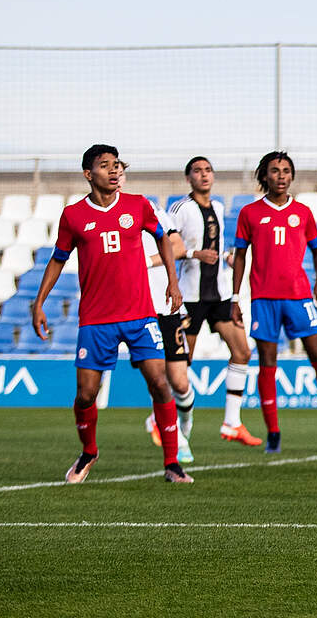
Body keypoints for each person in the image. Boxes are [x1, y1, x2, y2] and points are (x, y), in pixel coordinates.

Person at [29, 144, 193, 484]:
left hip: (140, 315)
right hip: (95, 319)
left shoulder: (138, 205)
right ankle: (89, 451)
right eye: (105, 166)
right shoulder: (73, 216)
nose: (115, 170)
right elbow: (58, 258)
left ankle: (173, 462)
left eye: (117, 165)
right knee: (86, 394)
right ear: (89, 174)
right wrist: (39, 302)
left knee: (160, 384)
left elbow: (163, 239)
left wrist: (173, 284)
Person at [231, 151, 317, 454]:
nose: (281, 176)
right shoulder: (250, 213)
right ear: (264, 176)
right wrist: (235, 297)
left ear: (291, 176)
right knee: (267, 363)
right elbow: (240, 256)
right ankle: (274, 434)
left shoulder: (303, 212)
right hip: (264, 299)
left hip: (298, 297)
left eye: (286, 171)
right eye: (275, 170)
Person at [169, 156, 261, 447]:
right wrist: (195, 255)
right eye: (197, 171)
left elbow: (214, 246)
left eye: (208, 170)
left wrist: (227, 258)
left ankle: (232, 422)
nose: (204, 175)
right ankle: (163, 420)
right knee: (183, 364)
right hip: (192, 297)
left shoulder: (219, 207)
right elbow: (169, 246)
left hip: (219, 294)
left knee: (242, 351)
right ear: (188, 179)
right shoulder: (181, 209)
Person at [126, 164, 195, 464]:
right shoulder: (96, 218)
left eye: (118, 168)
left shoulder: (146, 207)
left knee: (180, 382)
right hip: (137, 310)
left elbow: (177, 246)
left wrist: (143, 261)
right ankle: (177, 442)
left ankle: (183, 430)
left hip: (165, 306)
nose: (115, 174)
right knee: (157, 379)